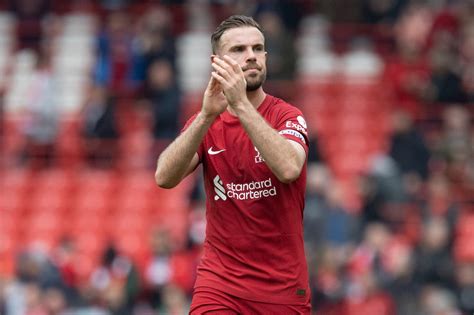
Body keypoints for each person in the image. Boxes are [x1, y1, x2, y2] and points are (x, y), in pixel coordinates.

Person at [154, 15, 311, 314]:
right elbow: (164, 176)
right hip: (220, 284)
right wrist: (205, 116)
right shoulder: (207, 122)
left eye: (257, 48)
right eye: (238, 50)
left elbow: (289, 168)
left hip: (281, 287)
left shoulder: (288, 116)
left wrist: (239, 104)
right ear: (218, 62)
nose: (251, 56)